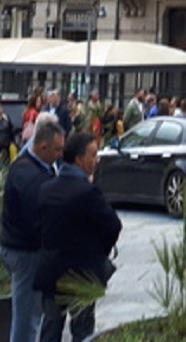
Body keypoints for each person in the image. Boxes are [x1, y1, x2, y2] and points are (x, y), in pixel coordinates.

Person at [36, 131, 122, 342]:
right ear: (79, 159)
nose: (97, 159)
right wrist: (100, 250)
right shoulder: (87, 192)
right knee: (83, 331)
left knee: (50, 327)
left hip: (52, 270)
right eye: (93, 155)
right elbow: (113, 225)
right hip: (82, 273)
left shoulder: (46, 189)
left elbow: (39, 227)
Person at [2, 120, 65, 342]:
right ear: (43, 147)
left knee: (28, 315)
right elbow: (35, 224)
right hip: (26, 252)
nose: (60, 155)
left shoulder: (30, 167)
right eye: (57, 150)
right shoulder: (31, 178)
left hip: (17, 248)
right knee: (27, 319)